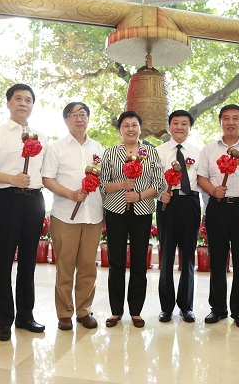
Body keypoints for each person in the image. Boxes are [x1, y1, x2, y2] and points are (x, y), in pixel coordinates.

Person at [0, 83, 48, 341]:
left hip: (35, 202)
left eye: (28, 100)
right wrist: (11, 178)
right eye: (18, 99)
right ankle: (4, 320)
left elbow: (46, 173)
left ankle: (26, 316)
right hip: (6, 200)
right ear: (8, 103)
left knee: (29, 261)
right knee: (3, 260)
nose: (23, 104)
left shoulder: (41, 136)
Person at [196, 104, 239, 328]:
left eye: (236, 118)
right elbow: (201, 177)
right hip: (217, 208)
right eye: (226, 118)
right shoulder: (209, 148)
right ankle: (217, 308)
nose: (231, 122)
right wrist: (213, 190)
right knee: (217, 260)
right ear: (220, 122)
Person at [42, 102, 105, 330]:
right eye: (73, 115)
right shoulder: (56, 148)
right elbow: (47, 179)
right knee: (65, 266)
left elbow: (104, 181)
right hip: (65, 216)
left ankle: (84, 310)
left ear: (88, 118)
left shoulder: (98, 149)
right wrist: (70, 194)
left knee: (88, 266)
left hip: (93, 215)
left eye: (83, 114)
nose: (79, 119)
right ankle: (64, 312)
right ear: (66, 120)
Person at [100, 111, 165, 328]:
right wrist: (121, 185)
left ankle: (136, 311)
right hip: (115, 211)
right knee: (116, 262)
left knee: (139, 262)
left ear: (140, 128)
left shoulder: (150, 152)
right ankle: (116, 311)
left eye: (134, 125)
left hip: (142, 211)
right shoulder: (110, 153)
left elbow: (158, 184)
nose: (130, 129)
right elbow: (103, 185)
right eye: (126, 125)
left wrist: (138, 195)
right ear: (120, 130)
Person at [155, 110, 202, 323]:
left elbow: (202, 180)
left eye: (184, 123)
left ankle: (186, 306)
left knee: (188, 256)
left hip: (190, 203)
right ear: (169, 126)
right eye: (176, 123)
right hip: (167, 204)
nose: (180, 127)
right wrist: (159, 194)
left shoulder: (198, 152)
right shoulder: (159, 151)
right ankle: (166, 307)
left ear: (190, 128)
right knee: (166, 256)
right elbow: (153, 180)